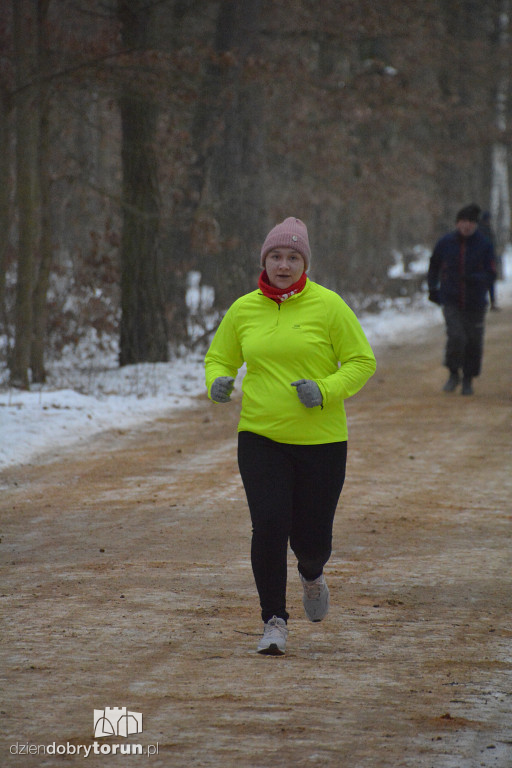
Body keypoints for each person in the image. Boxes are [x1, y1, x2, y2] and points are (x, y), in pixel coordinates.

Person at [204, 217, 376, 655]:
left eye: (293, 257)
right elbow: (219, 357)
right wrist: (218, 381)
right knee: (269, 524)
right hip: (261, 435)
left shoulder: (329, 306)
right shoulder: (244, 309)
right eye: (276, 256)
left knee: (312, 537)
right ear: (265, 260)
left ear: (305, 263)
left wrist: (325, 390)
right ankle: (274, 620)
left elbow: (361, 361)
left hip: (321, 440)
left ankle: (313, 572)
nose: (284, 264)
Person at [428, 204, 496, 395]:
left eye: (471, 223)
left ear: (476, 225)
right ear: (457, 223)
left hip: (475, 302)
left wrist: (477, 280)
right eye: (463, 222)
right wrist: (433, 288)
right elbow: (434, 266)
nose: (467, 226)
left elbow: (491, 273)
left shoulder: (484, 244)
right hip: (451, 299)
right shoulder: (445, 243)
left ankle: (468, 379)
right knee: (456, 336)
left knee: (474, 341)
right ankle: (453, 373)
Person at [478, 211, 500, 310]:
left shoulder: (480, 229)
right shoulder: (484, 230)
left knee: (486, 282)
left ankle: (487, 302)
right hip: (485, 261)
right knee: (488, 282)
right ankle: (490, 302)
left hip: (484, 260)